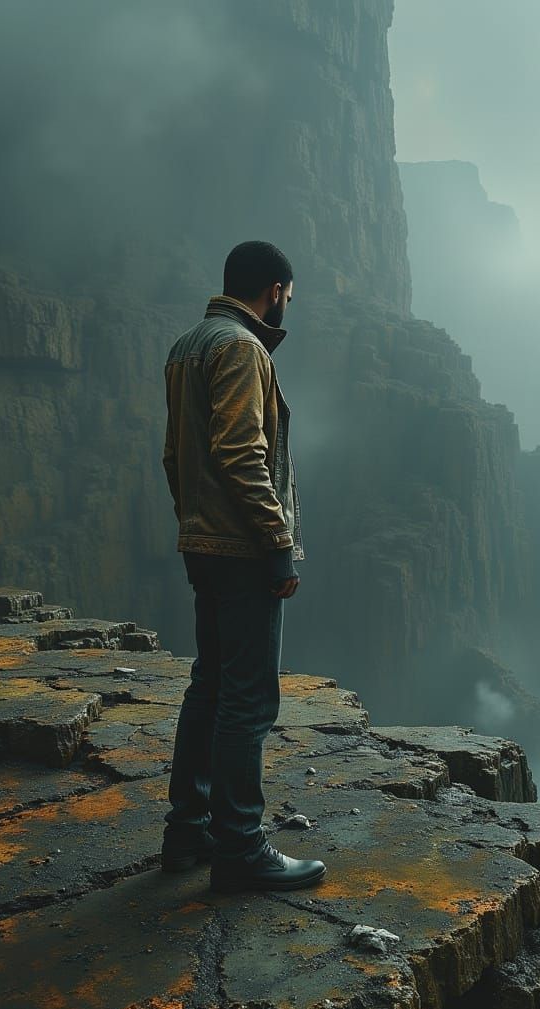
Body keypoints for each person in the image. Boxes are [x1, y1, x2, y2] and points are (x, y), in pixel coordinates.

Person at [159, 240, 326, 892]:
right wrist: (276, 541)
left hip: (204, 543)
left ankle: (188, 833)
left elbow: (177, 458)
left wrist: (193, 526)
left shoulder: (189, 345)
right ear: (277, 289)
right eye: (290, 294)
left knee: (211, 686)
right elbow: (240, 455)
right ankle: (239, 848)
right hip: (240, 551)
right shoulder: (241, 348)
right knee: (248, 702)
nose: (289, 305)